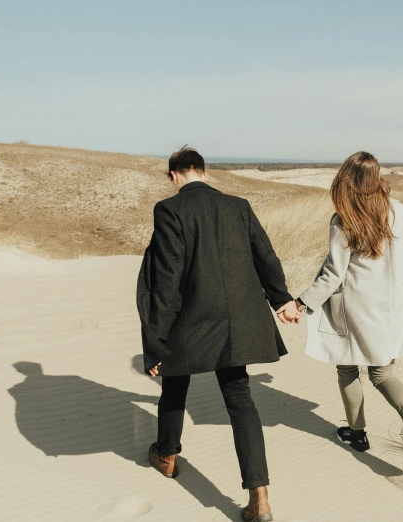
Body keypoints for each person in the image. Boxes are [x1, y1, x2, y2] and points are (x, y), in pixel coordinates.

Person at [136, 145, 299, 522]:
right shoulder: (238, 206)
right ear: (205, 173)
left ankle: (167, 456)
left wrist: (155, 341)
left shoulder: (169, 209)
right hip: (239, 319)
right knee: (240, 398)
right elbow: (266, 256)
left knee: (175, 384)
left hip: (191, 316)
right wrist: (282, 299)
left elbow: (166, 279)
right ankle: (259, 497)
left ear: (174, 176)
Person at [295, 151, 403, 472]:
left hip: (353, 308)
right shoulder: (401, 212)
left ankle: (357, 434)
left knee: (347, 370)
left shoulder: (344, 218)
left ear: (346, 180)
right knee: (383, 373)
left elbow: (333, 274)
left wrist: (304, 302)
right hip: (391, 305)